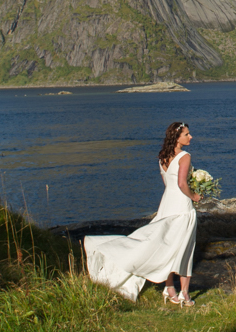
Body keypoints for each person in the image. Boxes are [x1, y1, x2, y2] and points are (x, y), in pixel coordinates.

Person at [84, 121, 203, 305]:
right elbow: (181, 184)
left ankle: (170, 289)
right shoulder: (185, 156)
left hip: (166, 204)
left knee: (166, 246)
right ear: (177, 137)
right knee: (185, 248)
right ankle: (184, 294)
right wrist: (194, 196)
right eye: (187, 134)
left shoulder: (163, 157)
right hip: (181, 207)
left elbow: (168, 184)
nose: (190, 136)